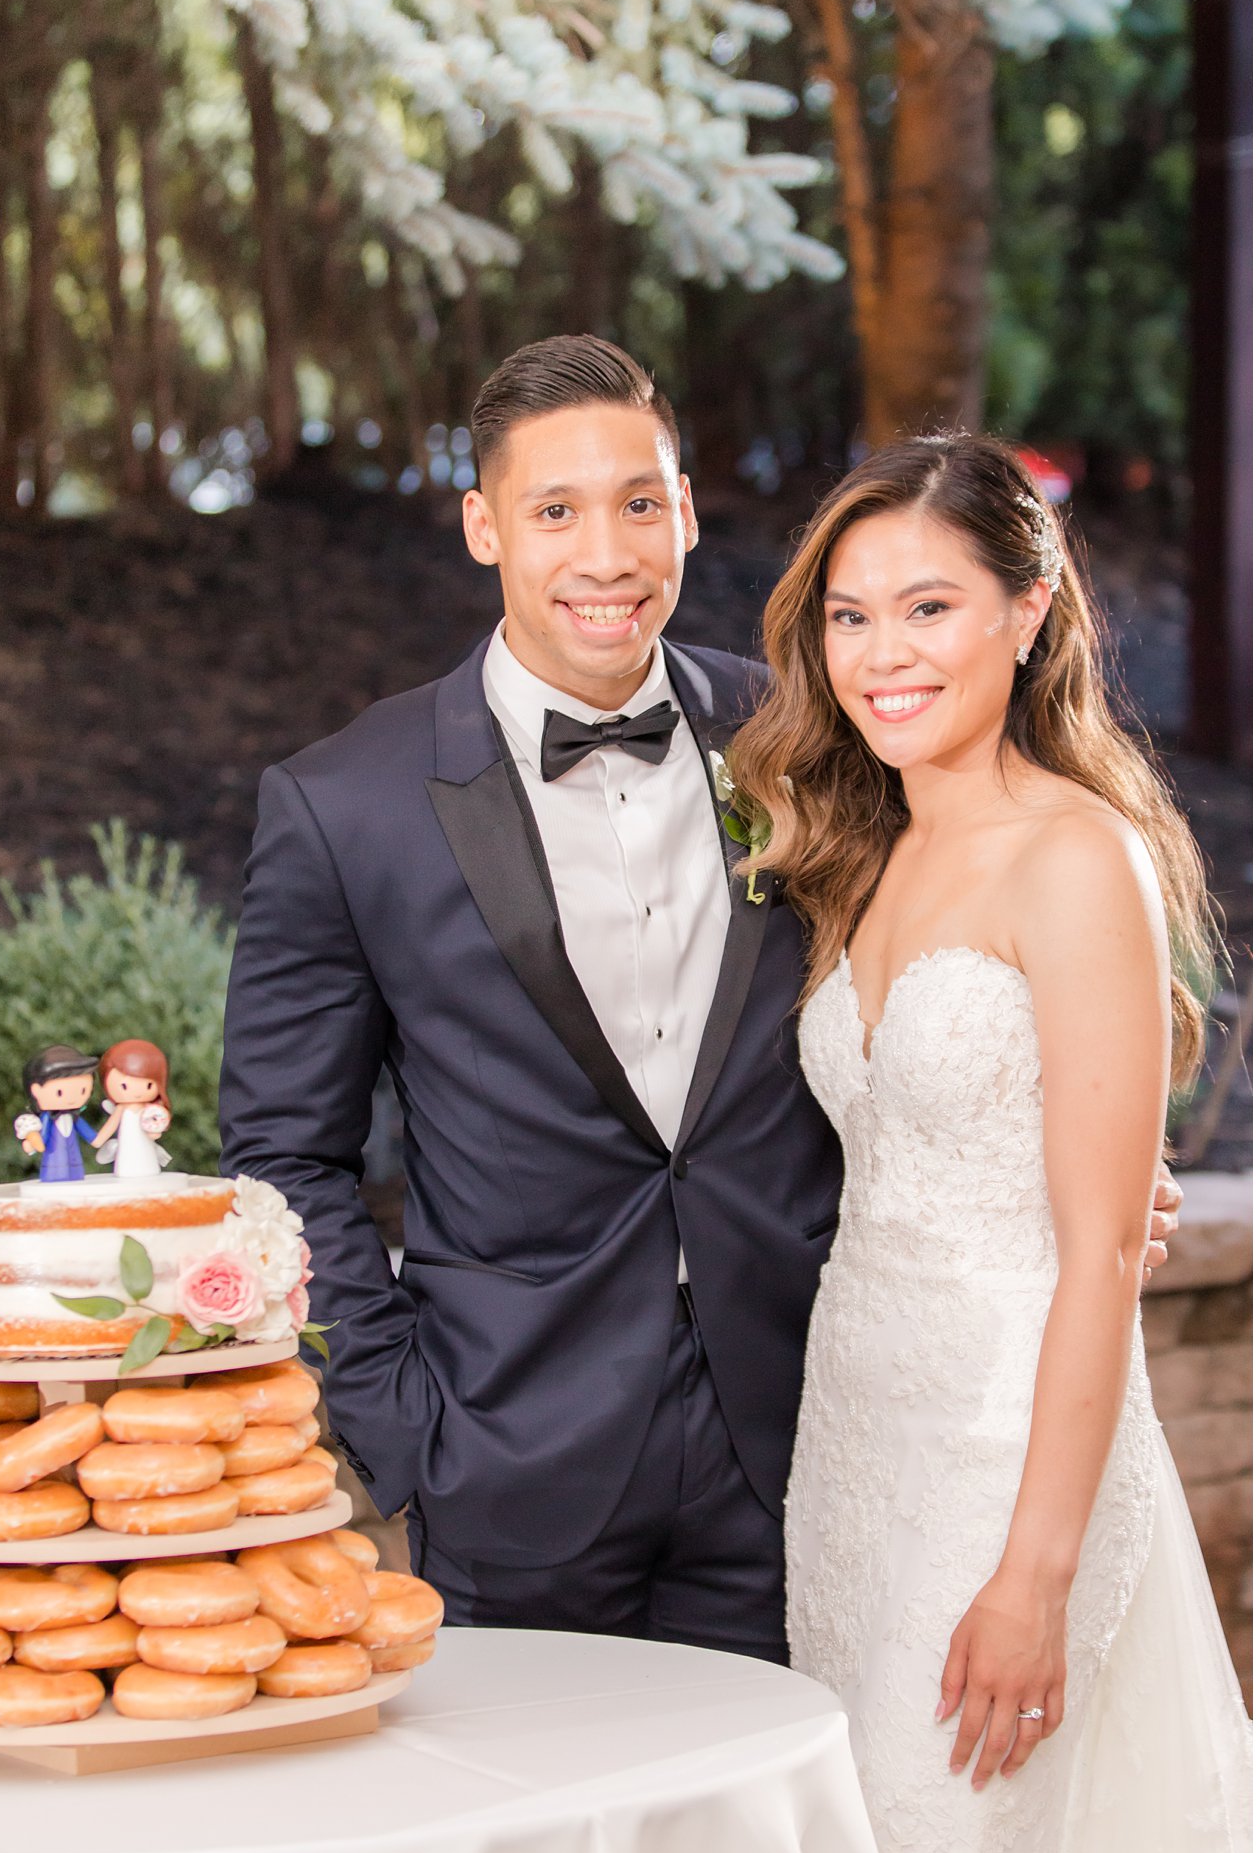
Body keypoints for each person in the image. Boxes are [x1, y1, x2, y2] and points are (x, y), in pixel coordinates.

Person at [219, 335, 1179, 1661]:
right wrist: (396, 1419)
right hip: (506, 1459)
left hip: (805, 1438)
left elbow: (972, 954)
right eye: (555, 510)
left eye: (639, 502)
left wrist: (1079, 1175)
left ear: (682, 510)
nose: (606, 554)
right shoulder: (344, 806)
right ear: (482, 526)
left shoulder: (812, 737)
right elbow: (282, 1154)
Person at [730, 432, 1250, 1853]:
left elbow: (1101, 1248)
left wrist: (1031, 1572)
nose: (885, 652)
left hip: (1000, 1470)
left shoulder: (1073, 858)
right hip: (852, 1466)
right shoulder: (857, 856)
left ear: (1028, 611)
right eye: (854, 616)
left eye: (932, 606)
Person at [14, 1044, 100, 1181]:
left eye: (83, 1090)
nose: (71, 1099)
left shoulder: (75, 1118)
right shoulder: (48, 1118)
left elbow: (94, 1138)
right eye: (59, 1093)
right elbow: (41, 1141)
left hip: (76, 1165)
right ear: (36, 1090)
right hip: (53, 1166)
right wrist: (32, 1143)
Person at [92, 1038, 172, 1179]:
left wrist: (155, 1133)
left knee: (147, 1160)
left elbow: (157, 1128)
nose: (137, 1092)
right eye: (124, 1086)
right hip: (127, 1150)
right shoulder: (121, 1109)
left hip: (146, 1149)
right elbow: (112, 1124)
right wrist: (99, 1139)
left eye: (149, 1085)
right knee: (127, 1162)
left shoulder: (151, 1109)